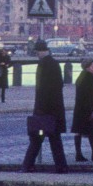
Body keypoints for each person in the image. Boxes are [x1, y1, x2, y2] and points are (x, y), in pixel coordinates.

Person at [22, 40, 68, 173]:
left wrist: (40, 110)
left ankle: (27, 165)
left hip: (44, 113)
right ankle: (61, 166)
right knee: (55, 140)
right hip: (55, 111)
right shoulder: (54, 64)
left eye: (37, 52)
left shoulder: (43, 65)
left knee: (37, 138)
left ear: (40, 51)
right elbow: (58, 85)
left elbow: (42, 90)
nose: (36, 54)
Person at [71, 58, 93, 161]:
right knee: (92, 131)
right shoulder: (89, 78)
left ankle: (79, 154)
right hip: (87, 109)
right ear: (87, 67)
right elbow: (91, 96)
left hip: (79, 109)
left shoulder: (81, 77)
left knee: (79, 131)